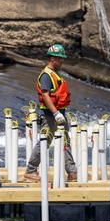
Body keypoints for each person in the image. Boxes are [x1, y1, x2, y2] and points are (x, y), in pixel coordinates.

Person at [23, 43, 78, 183]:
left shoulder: (55, 73)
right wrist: (55, 113)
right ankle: (30, 170)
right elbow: (45, 95)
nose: (62, 61)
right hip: (50, 115)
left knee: (65, 141)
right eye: (60, 59)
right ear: (53, 59)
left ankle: (72, 172)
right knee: (44, 142)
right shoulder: (46, 75)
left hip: (59, 113)